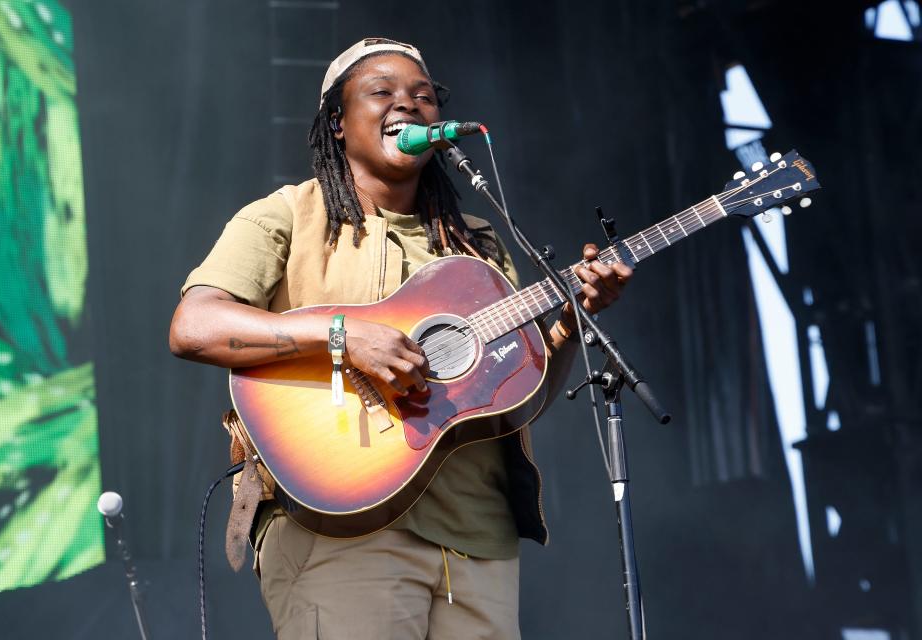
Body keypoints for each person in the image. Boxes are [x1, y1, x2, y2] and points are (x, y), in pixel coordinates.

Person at [169, 37, 632, 639]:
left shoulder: (478, 242)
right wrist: (342, 336)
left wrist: (570, 321)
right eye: (382, 93)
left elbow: (517, 399)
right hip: (340, 526)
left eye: (423, 96)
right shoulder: (286, 215)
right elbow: (195, 325)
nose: (407, 106)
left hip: (477, 539)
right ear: (337, 123)